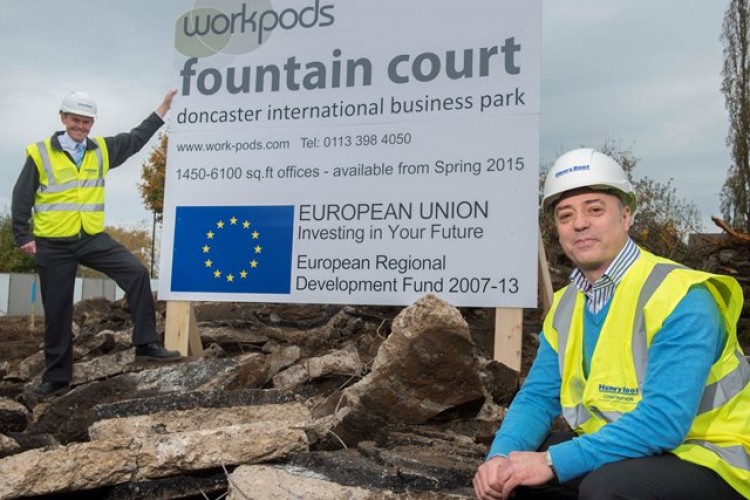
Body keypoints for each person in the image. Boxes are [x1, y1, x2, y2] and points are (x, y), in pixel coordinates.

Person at [473, 148, 750, 499]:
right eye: (565, 214)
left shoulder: (681, 296)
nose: (580, 223)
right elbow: (539, 397)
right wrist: (499, 458)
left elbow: (664, 421)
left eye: (595, 209)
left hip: (713, 459)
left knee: (603, 488)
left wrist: (551, 462)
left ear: (626, 217)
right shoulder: (566, 305)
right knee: (514, 474)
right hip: (630, 449)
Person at [12, 89, 182, 399]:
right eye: (75, 119)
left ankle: (146, 343)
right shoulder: (40, 153)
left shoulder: (101, 150)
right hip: (52, 244)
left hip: (90, 237)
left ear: (92, 123)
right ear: (64, 118)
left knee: (137, 272)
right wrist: (23, 235)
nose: (80, 126)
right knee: (58, 310)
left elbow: (136, 138)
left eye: (86, 121)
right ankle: (56, 378)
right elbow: (22, 195)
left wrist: (163, 108)